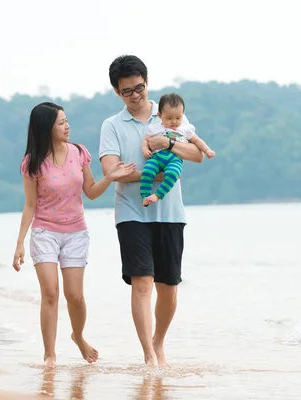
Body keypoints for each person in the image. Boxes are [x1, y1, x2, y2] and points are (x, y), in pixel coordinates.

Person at [12, 101, 136, 369]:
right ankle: (50, 355)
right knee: (50, 293)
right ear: (47, 128)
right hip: (44, 231)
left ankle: (78, 336)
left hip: (76, 232)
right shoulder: (32, 163)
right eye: (61, 123)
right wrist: (20, 242)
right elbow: (30, 205)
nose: (67, 127)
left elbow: (90, 192)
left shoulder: (79, 152)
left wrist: (111, 177)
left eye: (67, 121)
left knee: (75, 296)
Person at [98, 55, 204, 368]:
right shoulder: (112, 126)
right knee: (142, 281)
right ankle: (148, 355)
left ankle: (159, 342)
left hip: (170, 213)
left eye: (139, 88)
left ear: (147, 82)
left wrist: (166, 144)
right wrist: (157, 174)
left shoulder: (170, 114)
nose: (135, 95)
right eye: (127, 91)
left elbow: (197, 154)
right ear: (117, 92)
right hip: (131, 211)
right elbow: (111, 170)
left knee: (169, 288)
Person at [140, 92, 215, 206]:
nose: (174, 121)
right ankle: (145, 196)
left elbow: (197, 141)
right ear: (160, 115)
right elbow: (145, 140)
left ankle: (158, 195)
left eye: (178, 118)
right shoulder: (155, 128)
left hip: (174, 159)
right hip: (156, 157)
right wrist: (145, 149)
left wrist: (207, 150)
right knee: (147, 171)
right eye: (169, 118)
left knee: (173, 173)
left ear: (183, 114)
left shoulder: (186, 129)